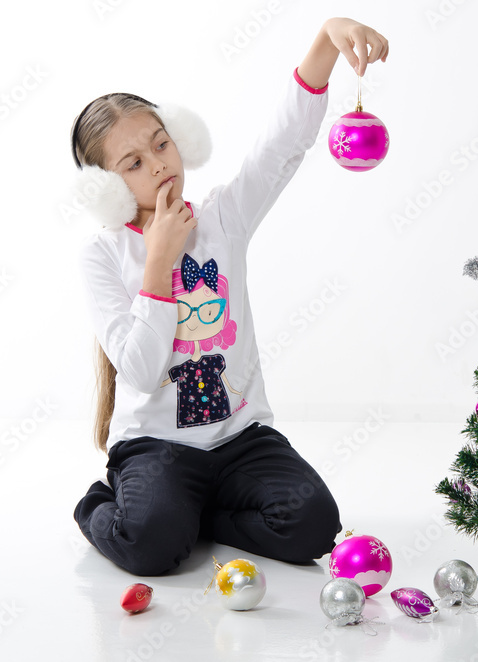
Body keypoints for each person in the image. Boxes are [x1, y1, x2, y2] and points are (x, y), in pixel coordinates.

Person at [71, 17, 389, 576]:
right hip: (156, 446)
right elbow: (141, 371)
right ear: (108, 186)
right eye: (134, 163)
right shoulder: (102, 254)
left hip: (240, 438)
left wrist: (325, 41)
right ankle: (104, 504)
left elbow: (282, 147)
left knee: (314, 524)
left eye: (161, 144)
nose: (159, 163)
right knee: (150, 547)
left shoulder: (222, 216)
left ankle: (200, 518)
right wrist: (159, 264)